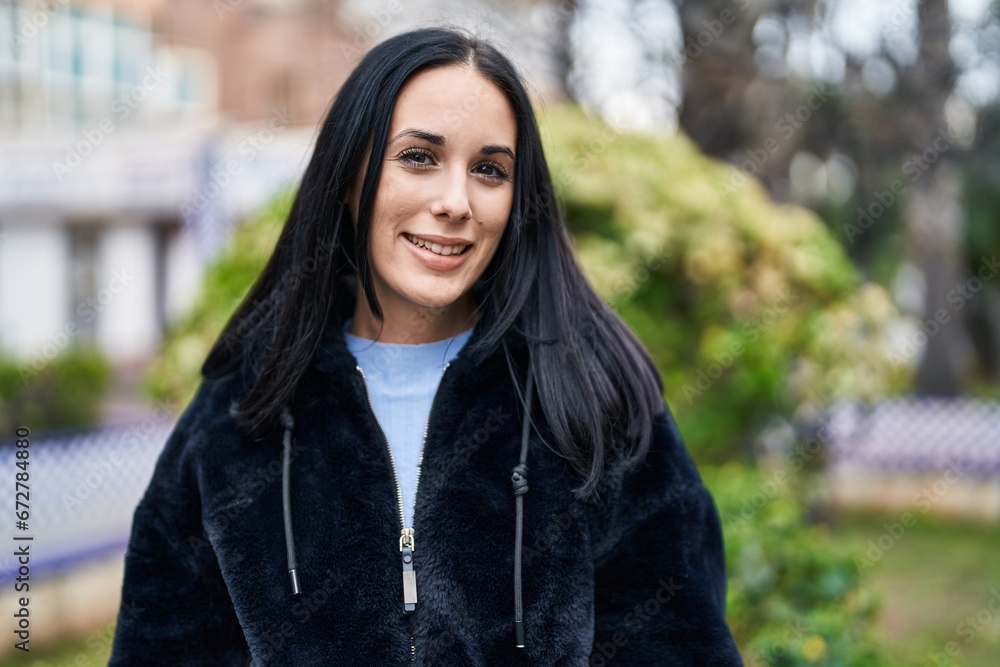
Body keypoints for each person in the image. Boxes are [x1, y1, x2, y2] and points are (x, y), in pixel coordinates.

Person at [108, 26, 743, 666]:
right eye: (418, 157)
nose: (455, 202)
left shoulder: (595, 396)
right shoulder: (238, 413)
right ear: (351, 174)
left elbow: (682, 645)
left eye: (490, 170)